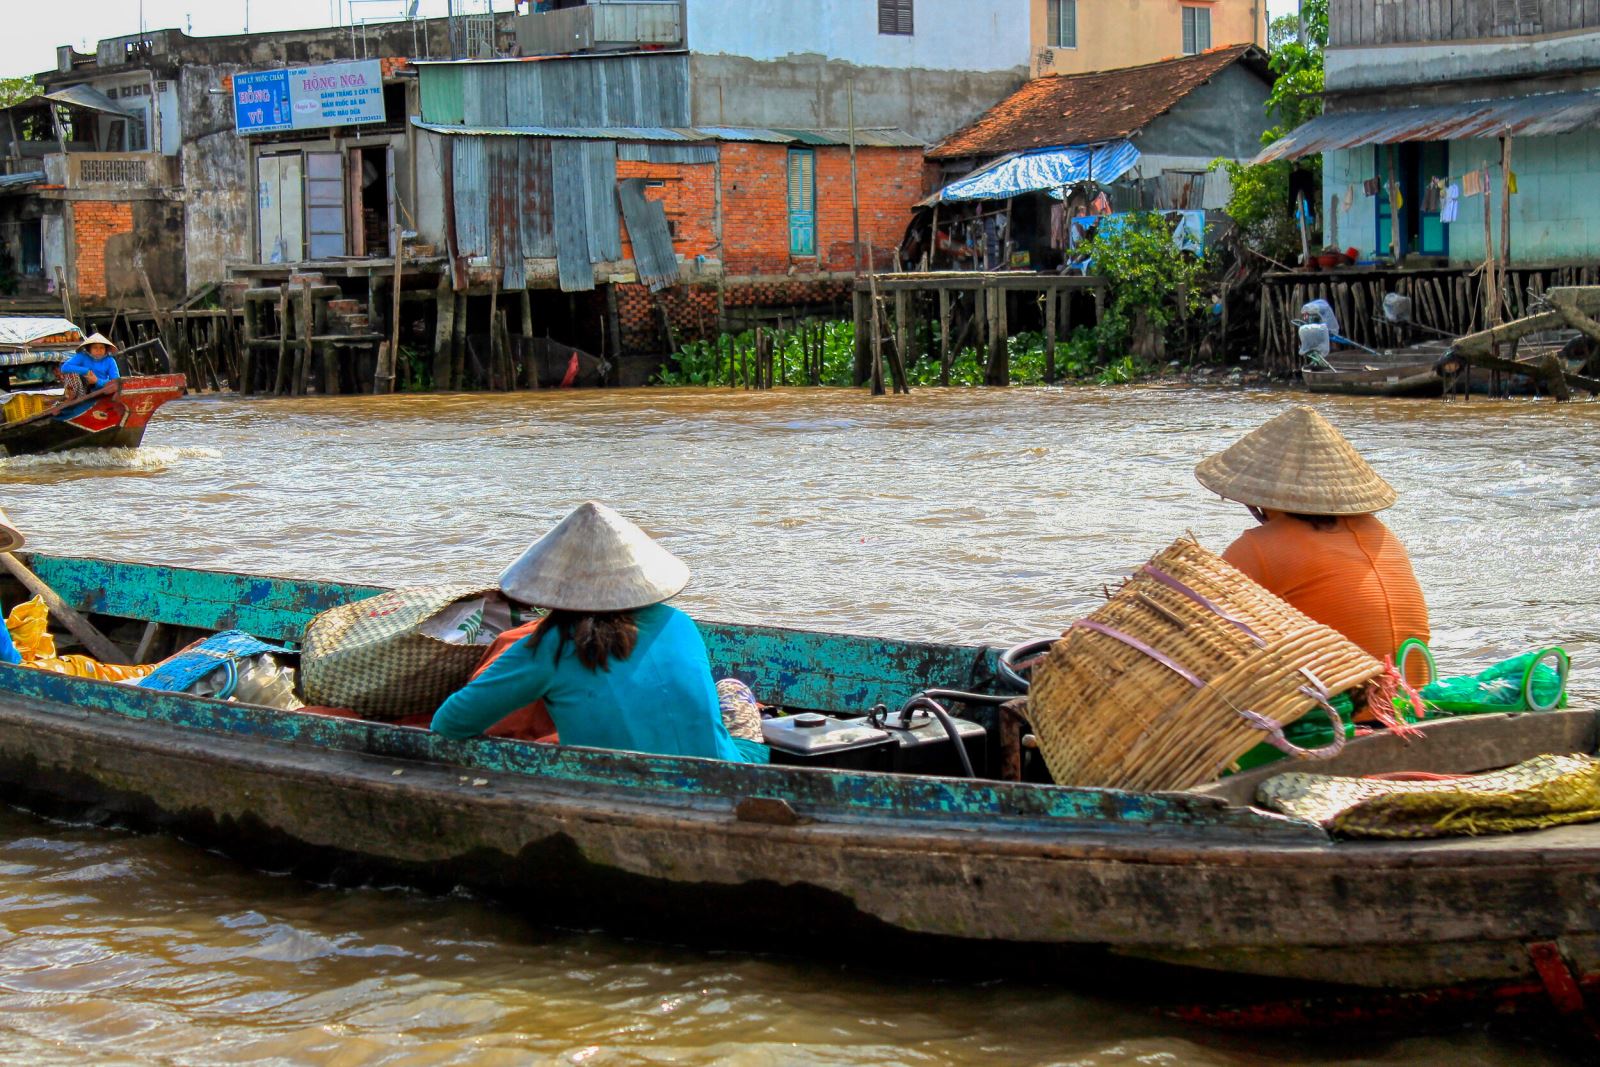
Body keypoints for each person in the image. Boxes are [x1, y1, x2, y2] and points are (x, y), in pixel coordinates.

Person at [431, 501, 768, 763]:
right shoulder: (678, 622)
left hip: (613, 784)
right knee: (733, 689)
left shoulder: (548, 646)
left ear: (553, 589)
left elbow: (449, 724)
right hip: (724, 776)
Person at [1195, 406, 1431, 678]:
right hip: (1414, 697)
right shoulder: (1382, 534)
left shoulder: (1259, 547)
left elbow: (1202, 634)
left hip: (1342, 708)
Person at [58, 333, 121, 400]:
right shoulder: (82, 356)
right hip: (83, 392)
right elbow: (65, 367)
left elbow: (116, 381)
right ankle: (75, 401)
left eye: (101, 348)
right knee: (72, 374)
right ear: (89, 349)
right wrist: (87, 371)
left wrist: (97, 381)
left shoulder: (110, 360)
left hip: (103, 391)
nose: (98, 350)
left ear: (106, 349)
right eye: (95, 347)